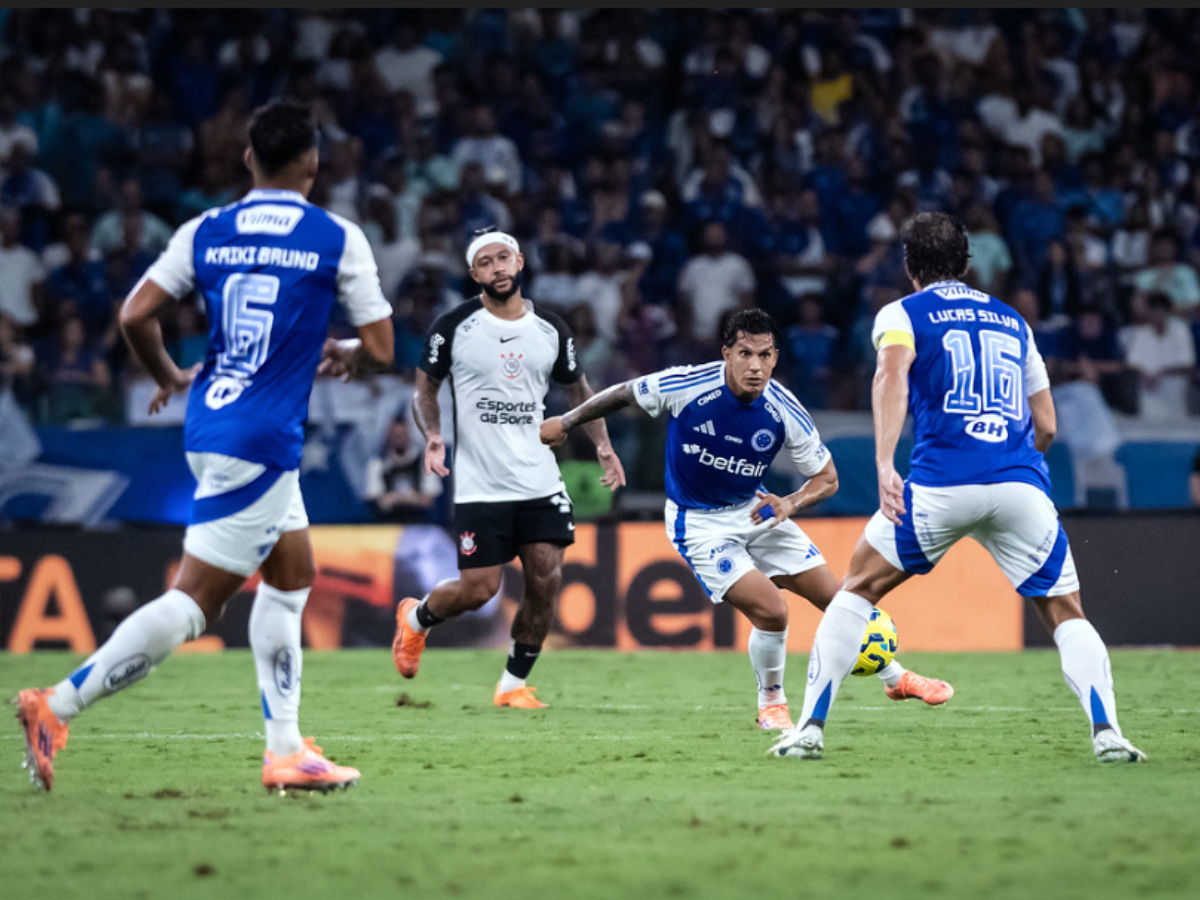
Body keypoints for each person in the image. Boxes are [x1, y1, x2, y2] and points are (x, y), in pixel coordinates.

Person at [14, 98, 395, 793]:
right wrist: (342, 351)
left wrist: (167, 376)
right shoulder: (335, 236)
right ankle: (55, 705)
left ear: (248, 158)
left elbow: (135, 315)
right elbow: (381, 349)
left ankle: (286, 749)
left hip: (212, 420)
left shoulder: (207, 230)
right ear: (313, 163)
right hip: (261, 438)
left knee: (292, 578)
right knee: (196, 603)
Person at [769, 212, 1146, 764]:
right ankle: (1109, 735)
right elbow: (1047, 424)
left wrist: (883, 462)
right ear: (967, 264)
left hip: (940, 484)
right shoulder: (1015, 321)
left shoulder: (901, 314)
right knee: (1067, 613)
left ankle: (808, 731)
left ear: (908, 267)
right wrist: (1011, 467)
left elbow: (891, 374)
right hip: (1020, 484)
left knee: (854, 591)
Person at [539, 308, 954, 730]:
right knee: (773, 611)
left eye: (765, 355)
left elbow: (827, 479)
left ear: (775, 358)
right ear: (727, 354)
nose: (755, 366)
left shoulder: (783, 408)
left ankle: (895, 678)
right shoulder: (688, 384)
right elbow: (625, 393)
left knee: (840, 600)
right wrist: (568, 420)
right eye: (745, 353)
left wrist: (790, 503)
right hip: (698, 522)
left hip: (755, 510)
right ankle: (771, 703)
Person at [391, 228, 626, 709]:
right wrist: (433, 436)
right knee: (480, 591)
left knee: (546, 577)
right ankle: (416, 620)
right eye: (486, 262)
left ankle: (513, 685)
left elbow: (580, 393)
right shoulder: (453, 326)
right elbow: (424, 391)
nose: (497, 267)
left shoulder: (551, 329)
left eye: (504, 258)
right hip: (481, 483)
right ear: (474, 273)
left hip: (539, 477)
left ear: (519, 262)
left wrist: (601, 445)